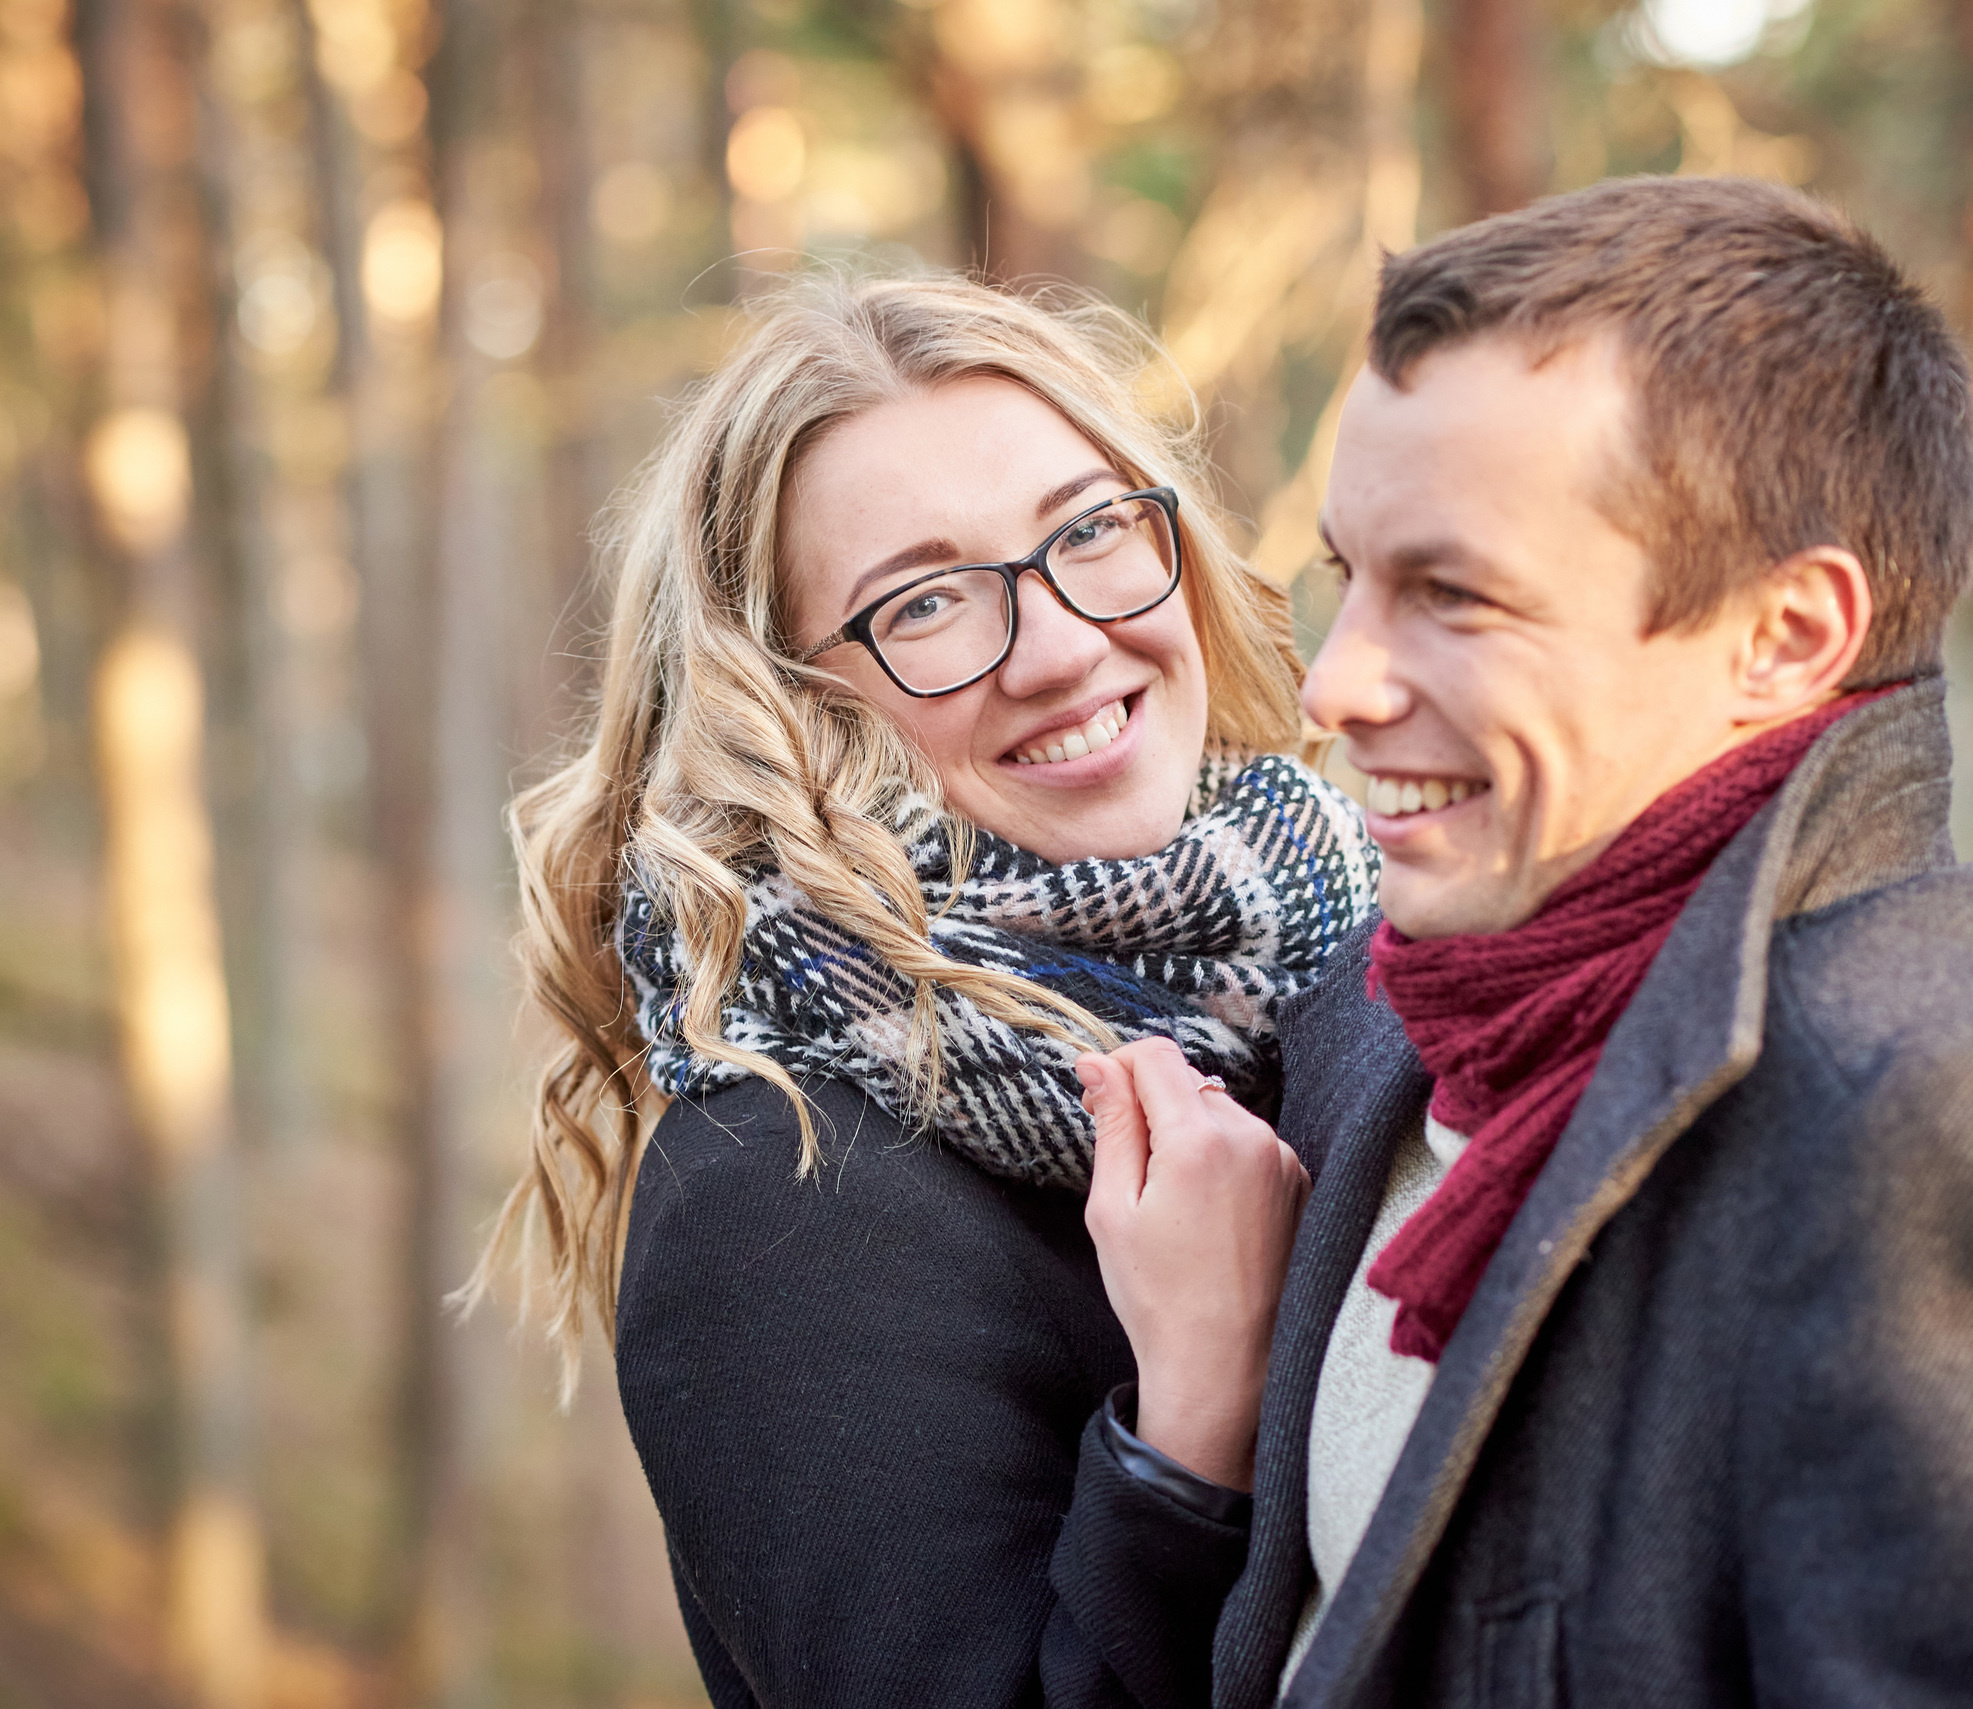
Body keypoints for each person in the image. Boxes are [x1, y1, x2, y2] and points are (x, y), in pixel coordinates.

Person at [1088, 176, 1973, 1706]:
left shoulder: (1950, 1138)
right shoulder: (1393, 1014)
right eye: (1352, 577)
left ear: (1785, 636)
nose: (1335, 684)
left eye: (1452, 593)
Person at [472, 273, 1378, 1709]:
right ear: (782, 702)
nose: (1066, 645)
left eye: (1091, 530)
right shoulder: (772, 1185)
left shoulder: (1351, 955)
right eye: (928, 602)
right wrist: (1196, 1419)